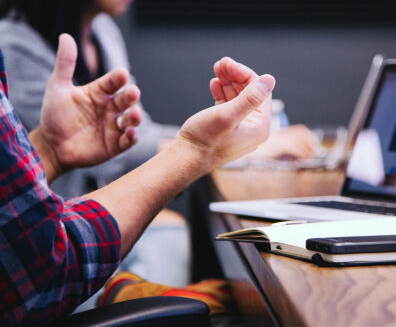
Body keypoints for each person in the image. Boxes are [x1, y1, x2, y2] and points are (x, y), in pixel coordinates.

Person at [0, 33, 276, 325]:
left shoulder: (103, 31)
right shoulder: (15, 42)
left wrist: (48, 150)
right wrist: (197, 150)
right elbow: (43, 268)